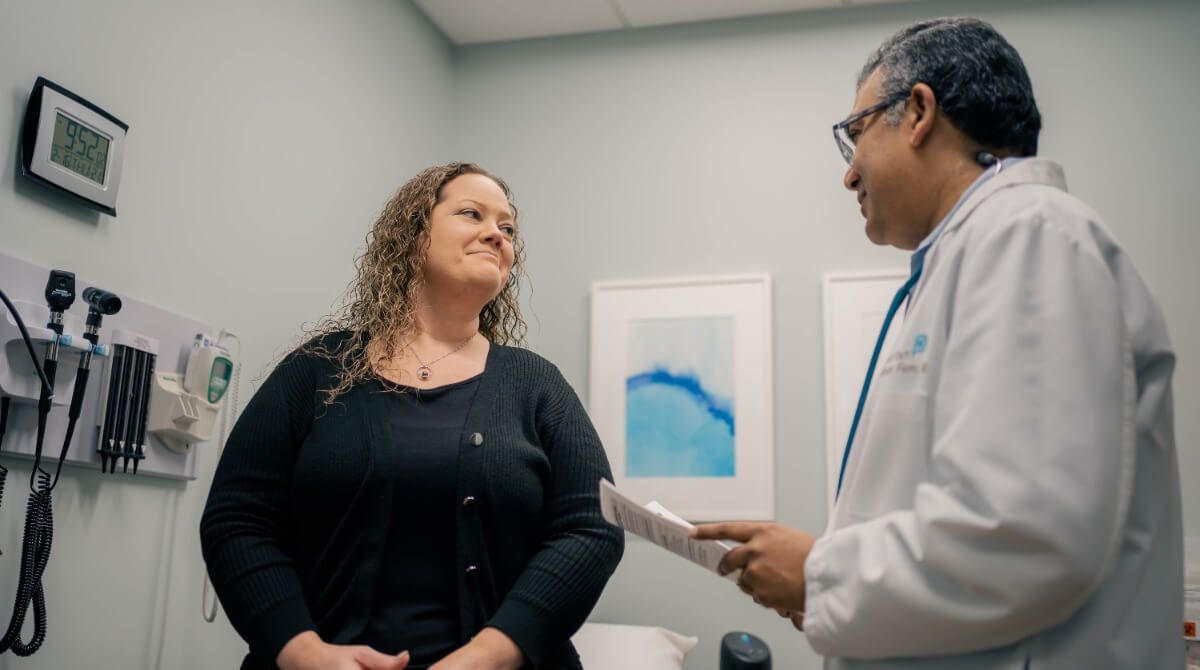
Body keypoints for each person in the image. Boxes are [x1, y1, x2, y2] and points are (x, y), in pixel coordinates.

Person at [693, 17, 1182, 669]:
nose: (849, 175)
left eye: (855, 135)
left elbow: (1027, 536)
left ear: (918, 112)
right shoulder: (972, 255)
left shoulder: (1029, 235)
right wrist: (825, 591)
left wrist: (819, 571)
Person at [201, 163, 624, 670]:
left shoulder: (537, 385)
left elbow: (592, 528)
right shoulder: (316, 370)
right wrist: (303, 652)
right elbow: (238, 520)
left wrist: (489, 656)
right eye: (473, 214)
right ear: (414, 234)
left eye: (508, 228)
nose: (497, 234)